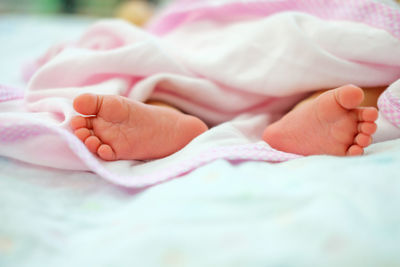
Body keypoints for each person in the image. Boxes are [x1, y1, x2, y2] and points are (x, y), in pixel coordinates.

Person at [70, 84, 381, 161]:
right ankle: (308, 108)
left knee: (162, 84)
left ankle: (168, 113)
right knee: (356, 87)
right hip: (297, 58)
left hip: (203, 61)